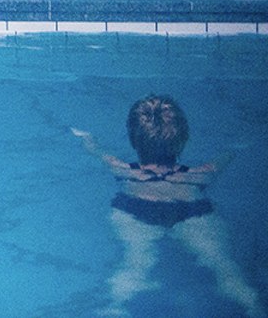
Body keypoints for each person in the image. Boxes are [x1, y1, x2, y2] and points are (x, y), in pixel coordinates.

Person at [73, 96, 264, 317]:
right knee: (225, 268)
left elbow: (97, 153)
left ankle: (114, 308)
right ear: (183, 139)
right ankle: (254, 308)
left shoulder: (126, 171)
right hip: (191, 208)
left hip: (136, 208)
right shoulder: (198, 175)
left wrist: (86, 137)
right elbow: (222, 160)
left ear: (133, 140)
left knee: (134, 267)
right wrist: (235, 146)